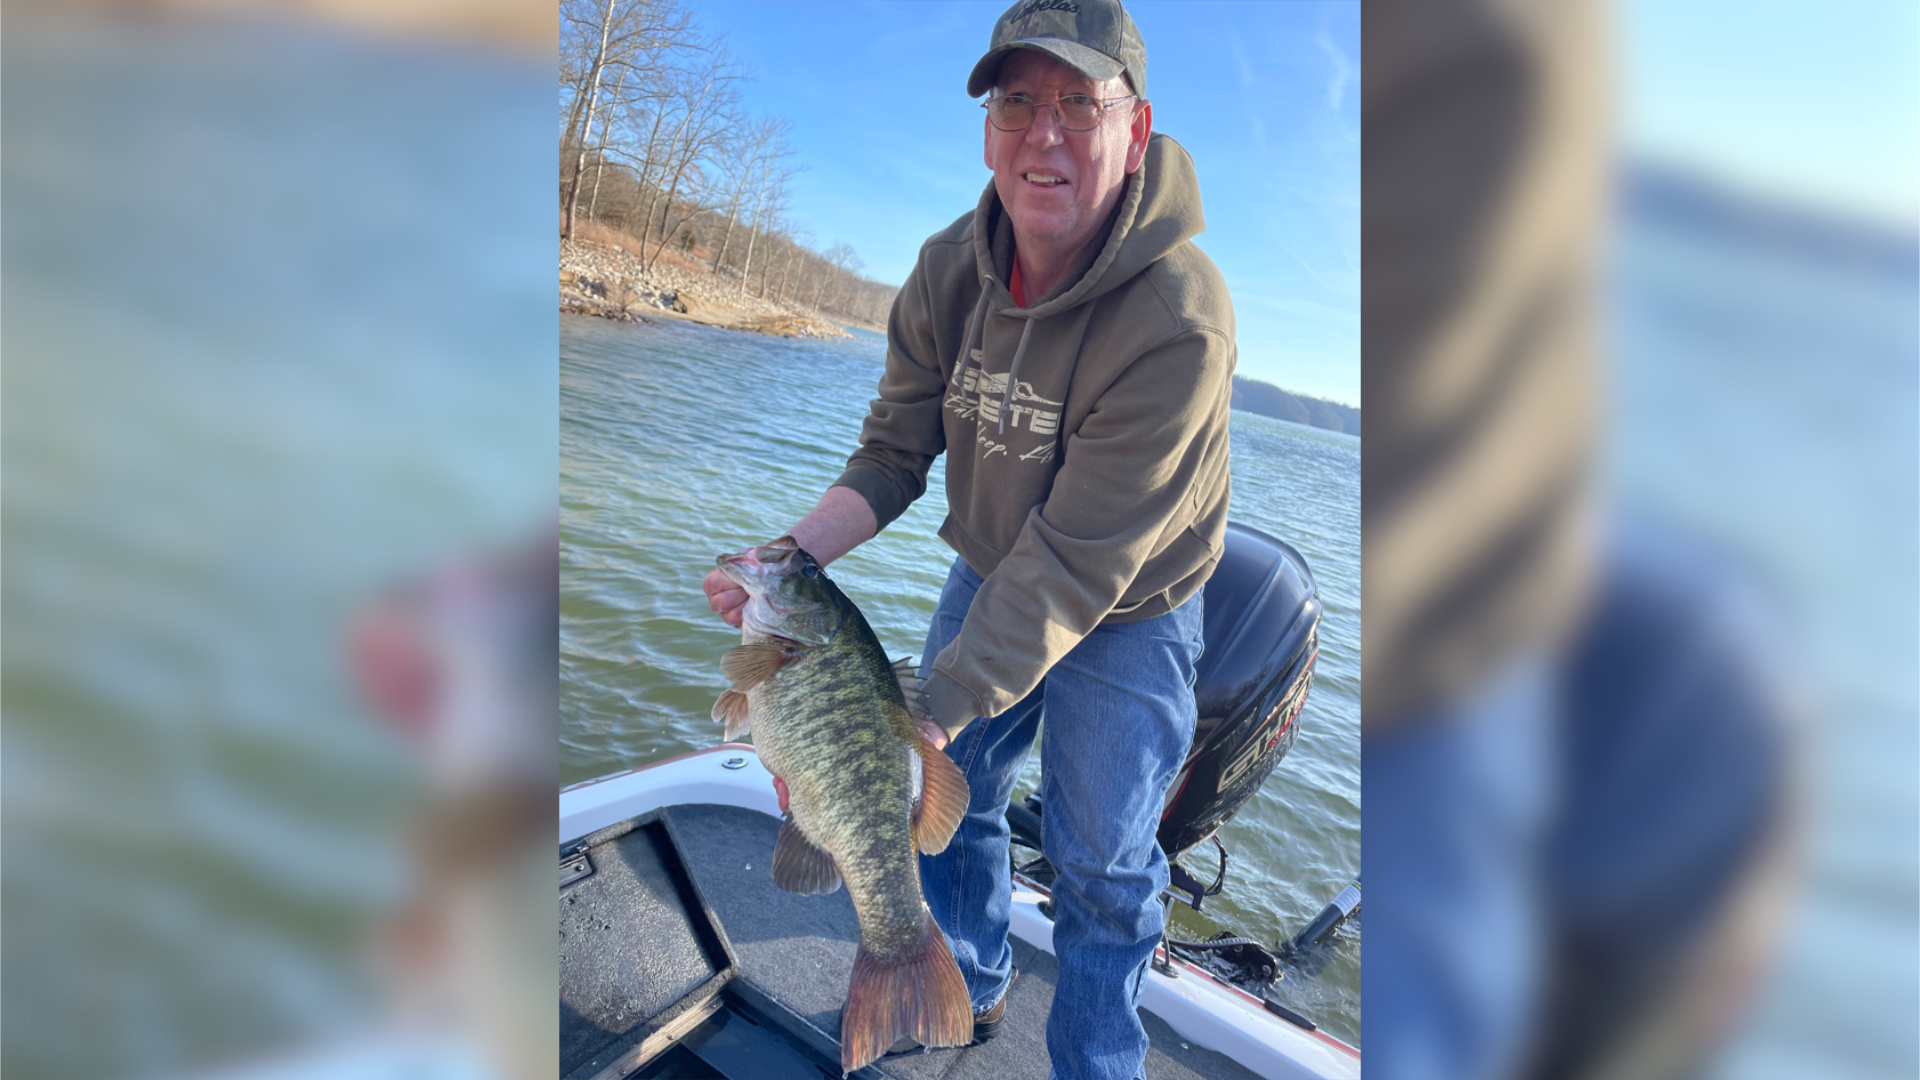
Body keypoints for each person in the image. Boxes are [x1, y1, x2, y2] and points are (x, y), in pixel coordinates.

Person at [703, 2, 1233, 1077]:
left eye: (1078, 103)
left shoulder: (1179, 317)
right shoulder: (949, 268)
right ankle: (968, 981)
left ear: (1135, 129)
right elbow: (893, 452)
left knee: (1103, 866)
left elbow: (1081, 561)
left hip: (1132, 608)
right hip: (991, 564)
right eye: (1016, 101)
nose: (1043, 134)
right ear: (988, 124)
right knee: (966, 801)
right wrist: (784, 559)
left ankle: (1095, 1061)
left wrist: (921, 720)